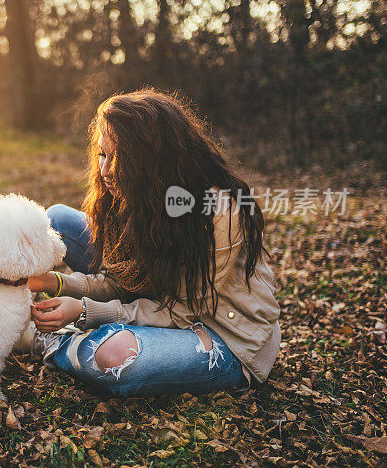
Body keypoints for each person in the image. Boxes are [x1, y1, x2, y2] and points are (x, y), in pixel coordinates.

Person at [18, 90, 281, 397]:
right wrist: (55, 282)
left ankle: (51, 340)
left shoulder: (218, 212)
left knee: (115, 358)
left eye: (120, 159)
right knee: (58, 219)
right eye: (103, 154)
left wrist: (84, 311)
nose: (105, 170)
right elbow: (121, 281)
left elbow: (183, 311)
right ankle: (94, 329)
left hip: (224, 334)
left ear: (154, 161)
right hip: (163, 301)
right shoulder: (139, 196)